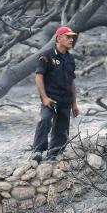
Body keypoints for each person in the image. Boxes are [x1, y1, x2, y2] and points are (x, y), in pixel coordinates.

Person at [32, 26, 80, 161]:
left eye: (72, 37)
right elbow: (38, 77)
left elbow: (72, 81)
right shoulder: (46, 55)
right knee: (45, 119)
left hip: (66, 99)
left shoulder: (70, 58)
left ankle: (54, 154)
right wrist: (45, 98)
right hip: (51, 98)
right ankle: (38, 151)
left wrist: (74, 104)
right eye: (68, 37)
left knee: (62, 128)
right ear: (59, 38)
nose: (71, 40)